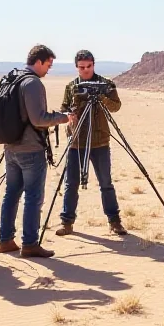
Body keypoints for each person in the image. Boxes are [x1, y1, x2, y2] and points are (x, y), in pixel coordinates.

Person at [0, 45, 69, 258]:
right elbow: (38, 119)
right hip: (30, 149)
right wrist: (62, 117)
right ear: (38, 61)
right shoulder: (32, 83)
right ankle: (29, 243)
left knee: (11, 193)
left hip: (11, 147)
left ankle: (6, 240)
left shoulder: (13, 78)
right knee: (33, 196)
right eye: (48, 64)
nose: (49, 69)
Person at [56, 50, 126, 237]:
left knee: (106, 183)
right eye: (81, 67)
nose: (86, 70)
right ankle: (67, 222)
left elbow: (116, 106)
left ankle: (114, 221)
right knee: (71, 184)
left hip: (100, 141)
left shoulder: (106, 84)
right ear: (76, 67)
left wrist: (100, 96)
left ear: (94, 64)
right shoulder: (71, 87)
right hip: (76, 141)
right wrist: (71, 112)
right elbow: (63, 110)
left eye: (89, 66)